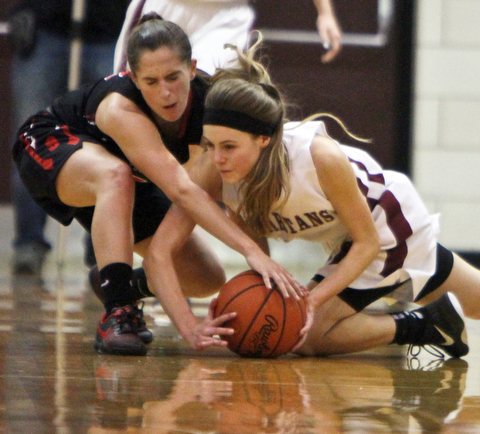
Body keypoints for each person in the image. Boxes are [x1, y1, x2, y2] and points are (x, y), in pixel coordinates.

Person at [140, 36, 477, 359]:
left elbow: (367, 244)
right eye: (210, 144)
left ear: (264, 139)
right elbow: (159, 253)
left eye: (229, 147)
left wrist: (309, 303)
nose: (217, 158)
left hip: (388, 226)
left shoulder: (317, 157)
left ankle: (424, 325)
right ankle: (441, 320)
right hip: (345, 241)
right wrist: (197, 322)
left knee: (307, 335)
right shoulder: (214, 172)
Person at [12, 16, 303, 357]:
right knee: (115, 175)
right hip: (50, 142)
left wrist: (262, 265)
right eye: (150, 81)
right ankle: (118, 312)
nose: (165, 92)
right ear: (133, 77)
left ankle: (123, 282)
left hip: (126, 177)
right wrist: (248, 253)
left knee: (205, 277)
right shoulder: (120, 107)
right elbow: (183, 190)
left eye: (173, 77)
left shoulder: (209, 106)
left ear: (192, 69)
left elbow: (210, 195)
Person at [8, 0, 130, 275]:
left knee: (112, 141)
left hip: (110, 31)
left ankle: (103, 254)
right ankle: (28, 243)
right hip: (46, 29)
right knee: (31, 139)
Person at [113, 0, 342, 75]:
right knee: (131, 95)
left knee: (206, 102)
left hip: (225, 16)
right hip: (167, 6)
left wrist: (325, 13)